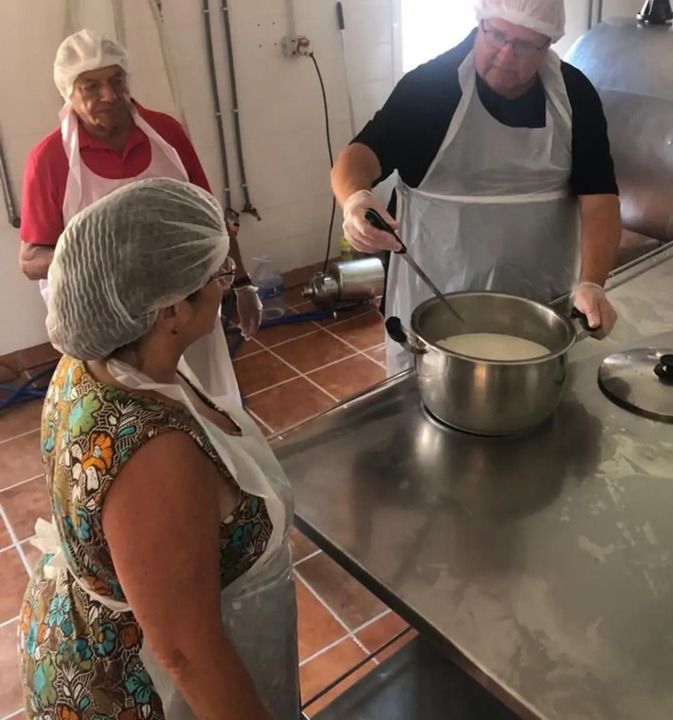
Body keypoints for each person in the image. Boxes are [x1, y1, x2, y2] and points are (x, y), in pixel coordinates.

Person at [18, 179, 299, 720]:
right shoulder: (156, 457)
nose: (224, 286)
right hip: (138, 690)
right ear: (169, 312)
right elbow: (186, 653)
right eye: (217, 276)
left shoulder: (97, 358)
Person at [332, 0, 621, 374]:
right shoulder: (430, 89)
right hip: (437, 298)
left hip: (540, 300)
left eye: (524, 44)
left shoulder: (575, 97)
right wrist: (355, 199)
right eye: (496, 34)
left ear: (548, 43)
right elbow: (359, 156)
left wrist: (593, 283)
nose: (505, 54)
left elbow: (600, 198)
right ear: (480, 22)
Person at [18, 28, 259, 404]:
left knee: (210, 404)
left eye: (117, 81)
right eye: (91, 86)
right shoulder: (50, 160)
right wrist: (105, 257)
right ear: (68, 91)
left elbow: (211, 221)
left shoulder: (165, 133)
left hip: (188, 315)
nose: (109, 95)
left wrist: (243, 284)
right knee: (142, 422)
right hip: (112, 335)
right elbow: (32, 261)